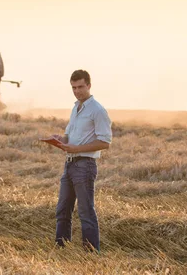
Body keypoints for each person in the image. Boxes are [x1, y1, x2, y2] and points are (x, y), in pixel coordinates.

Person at [50, 69, 112, 252]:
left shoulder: (97, 110)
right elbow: (69, 137)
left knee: (85, 212)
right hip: (69, 164)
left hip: (85, 165)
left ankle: (91, 254)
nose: (77, 91)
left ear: (89, 86)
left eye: (80, 87)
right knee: (62, 210)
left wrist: (76, 149)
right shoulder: (75, 108)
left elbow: (105, 142)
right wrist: (60, 140)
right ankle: (61, 249)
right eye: (73, 88)